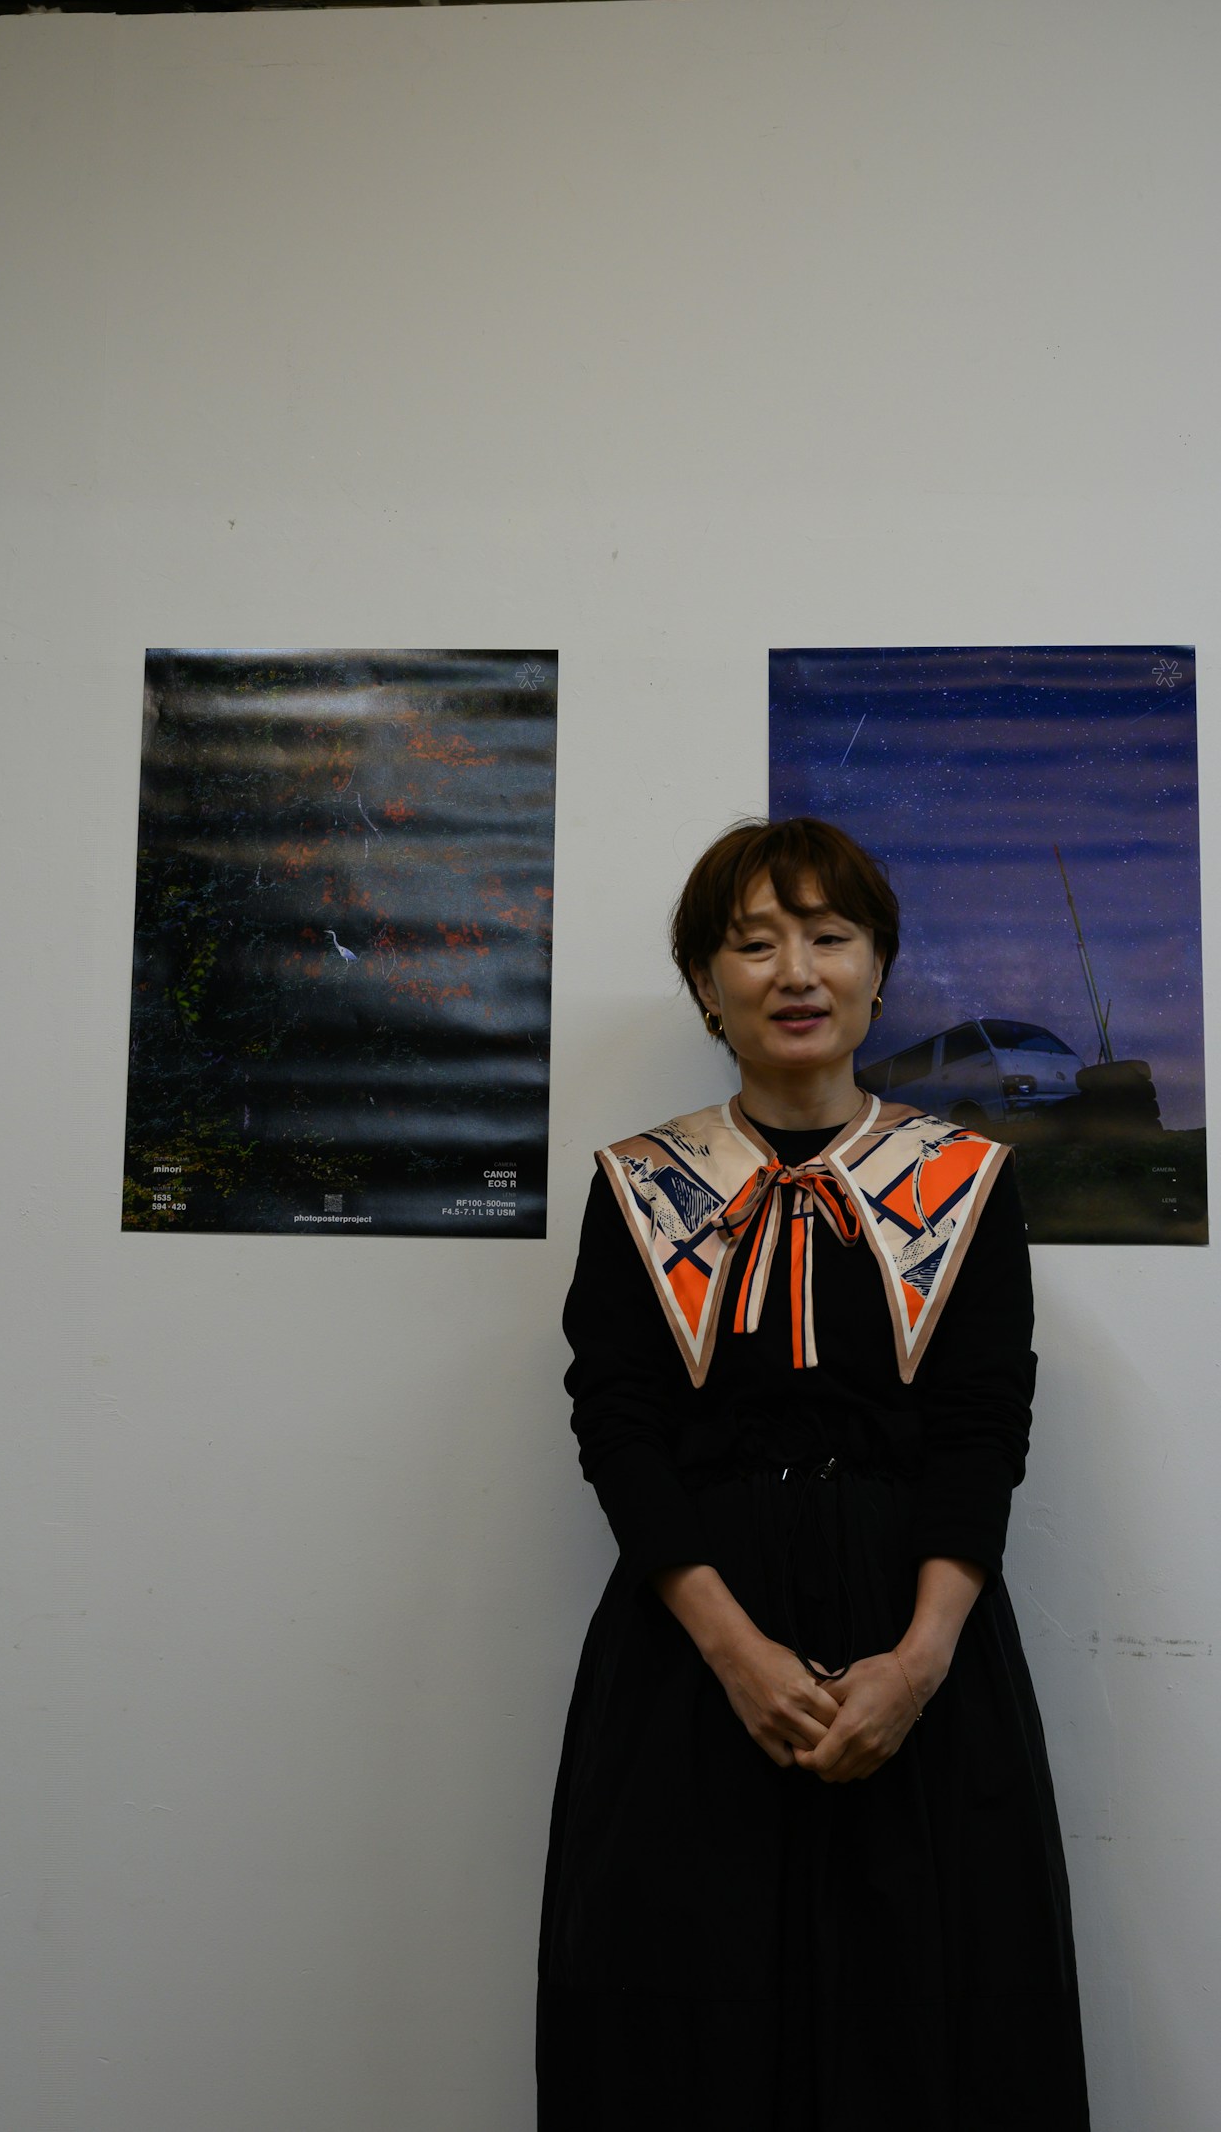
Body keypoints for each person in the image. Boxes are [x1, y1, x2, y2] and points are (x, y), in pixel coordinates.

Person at [537, 817, 1088, 2132]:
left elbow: (981, 1429)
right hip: (694, 1659)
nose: (797, 969)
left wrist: (919, 1661)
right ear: (706, 982)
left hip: (919, 1652)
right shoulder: (639, 1188)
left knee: (932, 2021)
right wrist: (733, 1653)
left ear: (878, 969)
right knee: (684, 2016)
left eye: (830, 936)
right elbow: (617, 1429)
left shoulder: (964, 1184)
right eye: (754, 941)